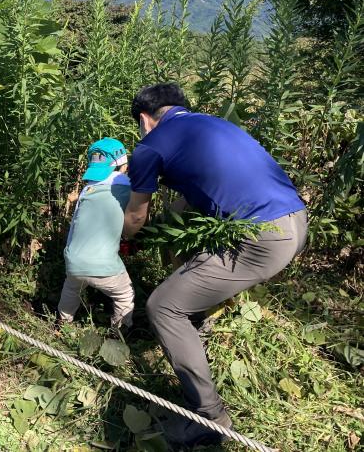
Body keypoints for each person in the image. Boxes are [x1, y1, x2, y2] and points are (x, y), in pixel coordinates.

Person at [122, 83, 307, 447]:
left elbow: (134, 217)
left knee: (163, 307)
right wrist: (166, 230)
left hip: (262, 239)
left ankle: (209, 419)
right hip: (295, 220)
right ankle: (198, 327)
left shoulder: (149, 147)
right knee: (186, 262)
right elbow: (195, 197)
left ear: (145, 119)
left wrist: (120, 244)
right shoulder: (214, 124)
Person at [58, 138, 135, 331]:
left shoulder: (87, 190)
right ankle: (120, 331)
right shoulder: (127, 188)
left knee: (72, 288)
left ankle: (62, 325)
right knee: (124, 294)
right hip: (104, 265)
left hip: (73, 260)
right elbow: (135, 218)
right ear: (123, 163)